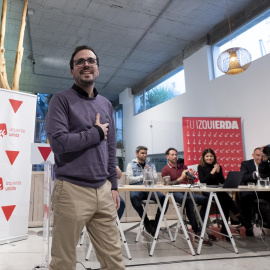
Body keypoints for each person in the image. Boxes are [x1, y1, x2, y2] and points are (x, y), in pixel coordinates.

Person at [45, 45, 125, 270]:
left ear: (98, 69)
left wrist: (114, 186)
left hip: (103, 189)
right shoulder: (60, 100)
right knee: (64, 263)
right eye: (80, 62)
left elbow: (110, 150)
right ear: (72, 71)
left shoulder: (106, 104)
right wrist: (95, 133)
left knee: (114, 261)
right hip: (71, 190)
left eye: (91, 60)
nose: (86, 64)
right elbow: (59, 143)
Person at [161, 148, 214, 246]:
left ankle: (202, 227)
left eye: (176, 154)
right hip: (175, 192)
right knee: (188, 201)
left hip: (187, 190)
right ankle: (197, 231)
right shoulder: (165, 169)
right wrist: (181, 178)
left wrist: (190, 178)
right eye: (172, 155)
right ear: (167, 156)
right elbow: (168, 184)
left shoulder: (183, 166)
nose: (175, 156)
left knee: (206, 200)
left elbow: (189, 183)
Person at [197, 148, 253, 239]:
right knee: (227, 199)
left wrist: (218, 172)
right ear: (203, 157)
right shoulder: (201, 167)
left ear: (214, 157)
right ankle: (240, 220)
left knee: (225, 202)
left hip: (218, 190)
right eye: (207, 156)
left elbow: (222, 181)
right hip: (207, 191)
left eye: (211, 156)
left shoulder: (218, 166)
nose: (209, 158)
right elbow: (203, 181)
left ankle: (225, 228)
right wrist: (212, 172)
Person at [126, 146, 168, 237]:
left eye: (146, 153)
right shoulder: (131, 164)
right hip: (136, 189)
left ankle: (155, 224)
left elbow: (156, 179)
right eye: (142, 153)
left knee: (164, 199)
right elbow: (130, 180)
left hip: (150, 189)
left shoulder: (151, 165)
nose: (145, 155)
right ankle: (146, 221)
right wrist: (144, 175)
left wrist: (149, 172)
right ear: (137, 154)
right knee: (133, 197)